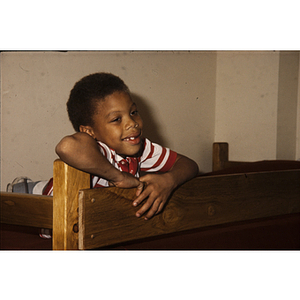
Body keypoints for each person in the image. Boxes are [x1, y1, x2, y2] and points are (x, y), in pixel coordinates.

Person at [53, 72, 199, 220]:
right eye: (116, 119)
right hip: (44, 204)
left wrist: (169, 180)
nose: (132, 123)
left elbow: (189, 164)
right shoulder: (100, 150)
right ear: (89, 132)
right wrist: (119, 177)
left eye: (133, 112)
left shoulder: (141, 149)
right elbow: (66, 147)